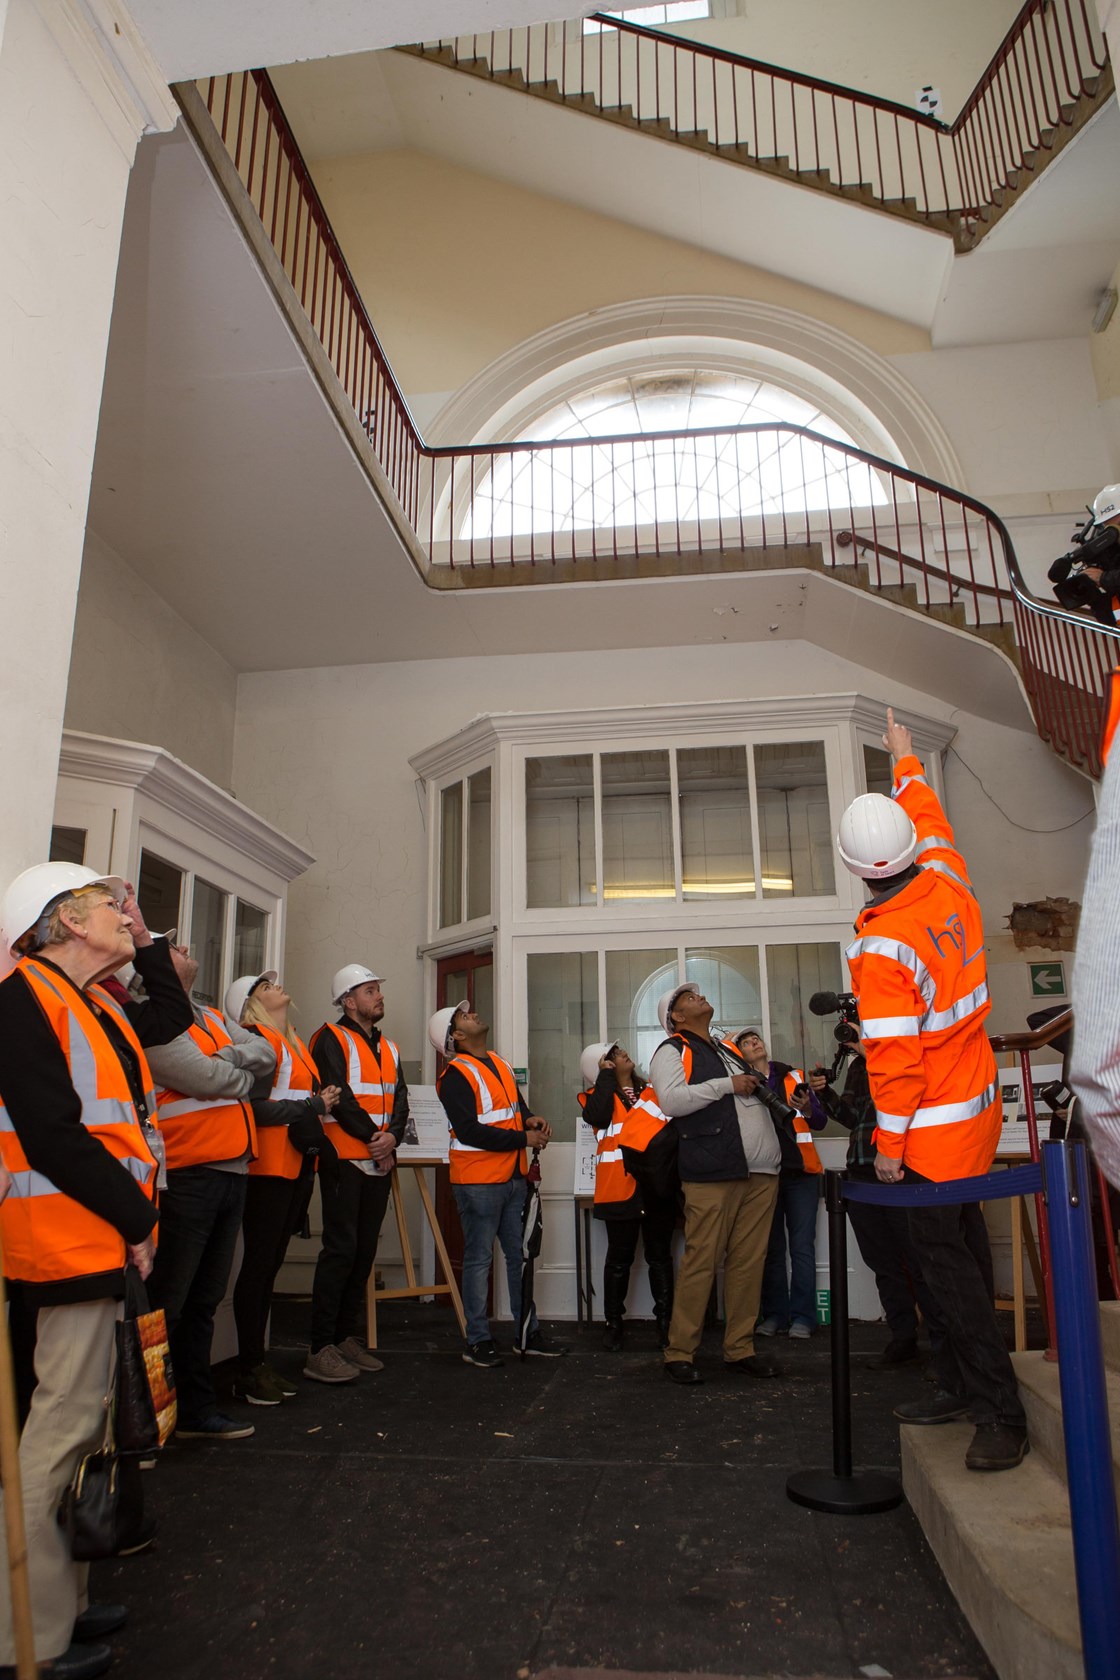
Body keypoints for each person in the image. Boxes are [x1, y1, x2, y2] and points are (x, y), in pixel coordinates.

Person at [0, 863, 192, 1680]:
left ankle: (66, 1605)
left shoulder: (87, 1001)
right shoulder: (20, 998)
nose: (124, 912)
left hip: (97, 1238)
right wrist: (138, 1217)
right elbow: (53, 1134)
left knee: (82, 1432)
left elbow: (170, 1019)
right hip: (63, 1241)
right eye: (111, 904)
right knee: (57, 1436)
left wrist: (145, 944)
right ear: (67, 920)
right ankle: (25, 1641)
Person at [839, 706, 1027, 1472]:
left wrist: (887, 1147)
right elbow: (930, 817)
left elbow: (893, 1061)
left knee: (948, 1280)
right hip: (977, 1112)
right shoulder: (948, 876)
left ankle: (999, 1414)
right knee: (968, 1257)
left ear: (858, 869)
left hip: (929, 1134)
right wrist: (905, 759)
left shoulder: (880, 944)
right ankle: (956, 1386)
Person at [145, 940, 276, 1441]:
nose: (183, 945)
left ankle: (195, 1412)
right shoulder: (155, 1019)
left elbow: (266, 1052)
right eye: (169, 945)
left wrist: (227, 1062)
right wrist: (232, 1071)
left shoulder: (209, 1015)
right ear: (154, 966)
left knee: (203, 1301)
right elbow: (200, 1075)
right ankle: (152, 1419)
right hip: (188, 1175)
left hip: (231, 1173)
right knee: (169, 1304)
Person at [650, 983, 782, 1385]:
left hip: (761, 1170)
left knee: (748, 1264)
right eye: (689, 998)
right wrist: (728, 1084)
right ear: (676, 1016)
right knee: (701, 1262)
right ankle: (679, 1352)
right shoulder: (672, 1050)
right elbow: (671, 1102)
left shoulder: (728, 1049)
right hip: (712, 1170)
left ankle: (740, 1348)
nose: (700, 997)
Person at [225, 970, 341, 1405]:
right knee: (258, 1270)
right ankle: (250, 1369)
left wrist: (316, 1105)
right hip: (267, 1169)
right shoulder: (260, 1040)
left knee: (267, 1268)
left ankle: (258, 1363)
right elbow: (252, 1108)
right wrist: (312, 1105)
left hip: (293, 1167)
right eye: (264, 987)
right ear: (252, 1004)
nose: (276, 986)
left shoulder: (289, 1041)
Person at [430, 999, 564, 1368]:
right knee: (478, 1260)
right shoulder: (454, 1075)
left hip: (511, 1177)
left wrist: (531, 1119)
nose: (473, 1014)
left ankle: (526, 1334)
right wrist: (524, 1140)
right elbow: (471, 1131)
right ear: (456, 1036)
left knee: (519, 1257)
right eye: (463, 1017)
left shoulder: (499, 1063)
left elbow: (515, 1110)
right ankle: (478, 1340)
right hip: (477, 1181)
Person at [809, 1046, 946, 1367]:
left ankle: (944, 1343)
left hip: (902, 1171)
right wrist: (825, 1094)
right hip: (860, 1173)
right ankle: (903, 1337)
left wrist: (875, 1056)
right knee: (882, 1263)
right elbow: (852, 1117)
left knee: (919, 1261)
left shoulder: (905, 1055)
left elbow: (911, 1104)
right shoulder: (857, 1066)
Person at [305, 964, 408, 1383]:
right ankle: (320, 1347)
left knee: (363, 1252)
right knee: (340, 1251)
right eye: (369, 990)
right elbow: (339, 1096)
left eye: (378, 989)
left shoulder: (391, 1047)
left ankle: (345, 1336)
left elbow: (399, 1099)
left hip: (378, 1160)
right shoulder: (328, 1039)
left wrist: (393, 1139)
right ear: (348, 1001)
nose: (378, 996)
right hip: (345, 1158)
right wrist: (374, 1138)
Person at [577, 1041, 677, 1351]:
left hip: (656, 1188)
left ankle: (666, 1324)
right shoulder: (595, 1097)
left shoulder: (651, 1092)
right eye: (614, 1054)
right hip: (619, 1189)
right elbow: (598, 1118)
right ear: (603, 1065)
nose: (623, 1054)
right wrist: (606, 1079)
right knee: (618, 1260)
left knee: (660, 1257)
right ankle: (613, 1323)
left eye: (620, 1051)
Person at [733, 1028, 826, 1341]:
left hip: (801, 1174)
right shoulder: (741, 1086)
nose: (754, 1043)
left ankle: (803, 1318)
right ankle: (775, 1315)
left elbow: (820, 1121)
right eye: (745, 1042)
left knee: (801, 1248)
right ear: (739, 1055)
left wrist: (809, 1107)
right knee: (771, 1250)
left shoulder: (792, 1075)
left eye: (755, 1038)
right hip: (763, 1174)